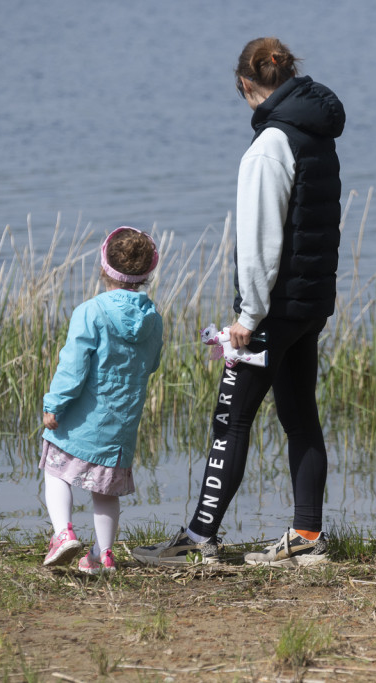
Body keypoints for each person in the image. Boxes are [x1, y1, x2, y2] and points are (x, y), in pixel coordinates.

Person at [132, 37, 345, 568]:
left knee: (231, 420)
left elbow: (259, 242)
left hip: (272, 311)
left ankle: (199, 539)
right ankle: (307, 537)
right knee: (300, 418)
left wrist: (247, 318)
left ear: (247, 86)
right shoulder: (316, 133)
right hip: (308, 302)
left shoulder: (270, 145)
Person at [40, 226, 163, 574]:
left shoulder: (90, 311)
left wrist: (54, 405)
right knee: (106, 491)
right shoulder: (153, 318)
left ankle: (63, 534)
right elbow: (152, 363)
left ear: (103, 267)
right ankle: (102, 556)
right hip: (121, 425)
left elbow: (73, 368)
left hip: (83, 420)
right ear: (147, 273)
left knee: (55, 469)